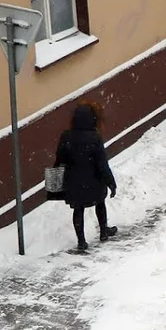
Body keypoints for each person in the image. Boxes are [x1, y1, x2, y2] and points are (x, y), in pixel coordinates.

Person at [54, 100, 117, 252]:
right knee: (100, 203)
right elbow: (102, 164)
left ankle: (81, 241)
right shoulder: (94, 137)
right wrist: (111, 183)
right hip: (94, 180)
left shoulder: (66, 136)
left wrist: (54, 185)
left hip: (74, 182)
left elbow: (59, 159)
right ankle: (103, 231)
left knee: (78, 209)